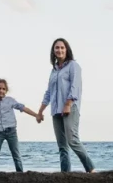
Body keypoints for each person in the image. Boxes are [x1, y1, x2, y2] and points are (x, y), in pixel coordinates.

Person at [37, 38, 96, 173]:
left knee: (72, 140)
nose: (59, 50)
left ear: (67, 49)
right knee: (62, 146)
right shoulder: (54, 71)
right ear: (53, 51)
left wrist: (68, 104)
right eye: (57, 48)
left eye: (62, 47)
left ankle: (91, 169)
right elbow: (49, 92)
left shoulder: (73, 66)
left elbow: (75, 87)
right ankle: (65, 174)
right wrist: (40, 111)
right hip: (56, 111)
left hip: (70, 108)